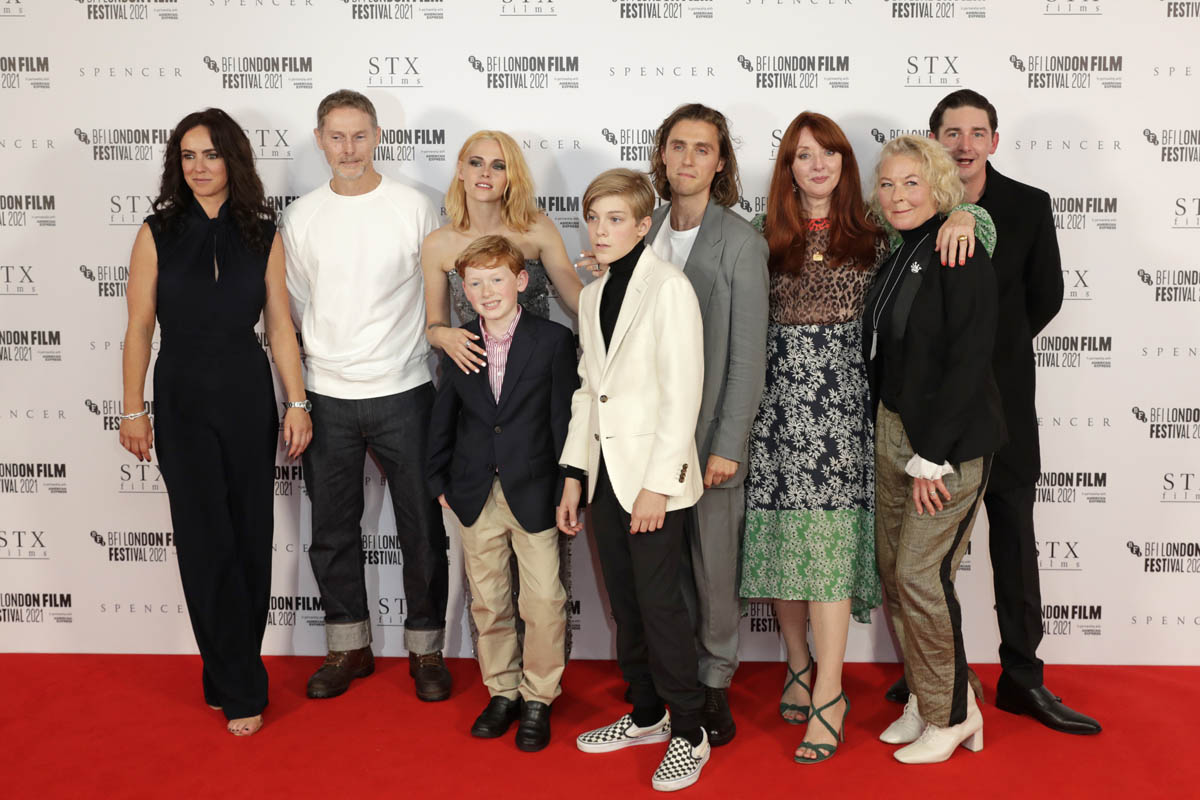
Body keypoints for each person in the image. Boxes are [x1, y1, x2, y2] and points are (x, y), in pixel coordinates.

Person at [740, 111, 992, 763]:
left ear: (847, 165)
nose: (816, 164)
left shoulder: (874, 228)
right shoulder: (760, 234)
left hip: (847, 414)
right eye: (802, 155)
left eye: (828, 153)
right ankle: (798, 665)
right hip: (774, 415)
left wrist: (969, 215)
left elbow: (948, 219)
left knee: (831, 553)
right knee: (782, 545)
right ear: (787, 167)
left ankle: (830, 693)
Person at [887, 89, 1099, 736]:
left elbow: (1046, 296)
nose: (965, 143)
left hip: (1001, 401)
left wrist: (987, 351)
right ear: (934, 140)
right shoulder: (915, 208)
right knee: (922, 554)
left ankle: (1023, 678)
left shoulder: (1027, 205)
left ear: (994, 142)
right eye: (952, 132)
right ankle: (935, 673)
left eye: (977, 132)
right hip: (929, 413)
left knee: (1014, 540)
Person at [119, 108, 311, 736]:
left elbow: (279, 326)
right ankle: (240, 686)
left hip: (246, 394)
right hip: (180, 396)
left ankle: (225, 670)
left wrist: (298, 402)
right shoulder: (156, 231)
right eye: (188, 156)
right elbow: (139, 328)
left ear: (233, 159)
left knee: (250, 536)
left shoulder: (262, 232)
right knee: (204, 541)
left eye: (211, 154)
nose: (199, 167)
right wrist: (133, 408)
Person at [281, 89, 450, 702]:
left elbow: (435, 297)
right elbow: (300, 305)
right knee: (332, 530)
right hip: (326, 394)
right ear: (320, 140)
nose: (348, 148)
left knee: (422, 529)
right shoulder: (300, 217)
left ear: (377, 136)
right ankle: (348, 647)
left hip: (406, 389)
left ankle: (426, 650)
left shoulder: (414, 207)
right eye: (336, 136)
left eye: (359, 135)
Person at [558, 169, 709, 792]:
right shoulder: (592, 295)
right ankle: (647, 715)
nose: (602, 230)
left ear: (644, 225)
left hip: (652, 482)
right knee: (624, 604)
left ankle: (690, 732)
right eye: (594, 218)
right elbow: (588, 392)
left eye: (616, 219)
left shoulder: (669, 287)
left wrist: (659, 486)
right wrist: (574, 473)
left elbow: (683, 392)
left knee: (661, 606)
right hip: (605, 477)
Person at [866, 134, 1006, 764]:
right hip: (894, 430)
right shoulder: (902, 248)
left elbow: (969, 361)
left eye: (911, 183)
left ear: (938, 188)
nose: (898, 195)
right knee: (896, 576)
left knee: (921, 577)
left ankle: (955, 715)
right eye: (888, 183)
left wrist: (934, 456)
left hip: (945, 445)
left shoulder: (959, 248)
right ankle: (929, 698)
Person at [421, 130, 584, 658]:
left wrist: (617, 297)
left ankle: (542, 681)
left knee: (543, 585)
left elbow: (574, 298)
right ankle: (500, 683)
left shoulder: (536, 228)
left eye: (498, 164)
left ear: (512, 174)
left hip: (536, 400)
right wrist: (445, 336)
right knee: (488, 588)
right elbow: (434, 323)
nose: (486, 173)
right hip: (476, 395)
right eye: (476, 163)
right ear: (460, 171)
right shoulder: (439, 243)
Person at [641, 103, 769, 747]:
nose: (688, 159)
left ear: (721, 163)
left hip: (709, 440)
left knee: (715, 570)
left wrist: (728, 445)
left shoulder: (741, 242)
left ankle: (715, 681)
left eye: (703, 148)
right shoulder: (643, 232)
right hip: (648, 442)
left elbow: (748, 358)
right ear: (662, 154)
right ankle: (676, 680)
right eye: (678, 145)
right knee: (664, 569)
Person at [426, 235, 576, 752]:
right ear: (463, 289)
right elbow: (444, 415)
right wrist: (438, 481)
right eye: (475, 283)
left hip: (534, 490)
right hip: (474, 491)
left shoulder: (552, 340)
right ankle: (503, 691)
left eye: (497, 279)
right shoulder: (459, 342)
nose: (487, 291)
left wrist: (569, 484)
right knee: (489, 601)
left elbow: (563, 421)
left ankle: (539, 696)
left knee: (544, 601)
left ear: (521, 281)